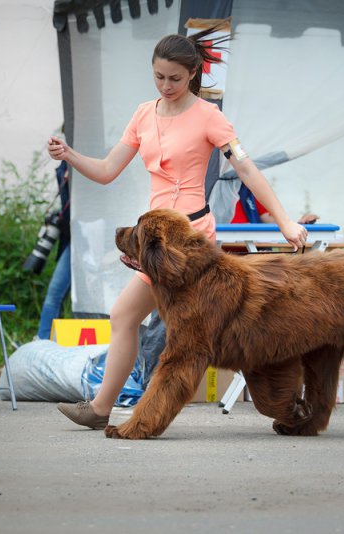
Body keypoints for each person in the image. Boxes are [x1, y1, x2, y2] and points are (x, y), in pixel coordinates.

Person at [48, 28, 308, 429]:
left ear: (193, 74)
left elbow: (245, 167)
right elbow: (106, 171)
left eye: (175, 78)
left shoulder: (209, 116)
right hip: (155, 243)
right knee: (129, 319)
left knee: (157, 326)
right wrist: (70, 154)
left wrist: (284, 219)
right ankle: (104, 409)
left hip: (191, 243)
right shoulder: (142, 114)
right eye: (158, 77)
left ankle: (106, 408)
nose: (166, 86)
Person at [35, 161, 71, 340]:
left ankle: (42, 340)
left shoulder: (94, 152)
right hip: (73, 240)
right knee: (55, 294)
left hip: (92, 239)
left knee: (55, 295)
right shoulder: (68, 159)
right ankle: (42, 342)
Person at [231, 183, 319, 224]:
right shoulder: (217, 189)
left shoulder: (249, 191)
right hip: (220, 251)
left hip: (249, 251)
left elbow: (269, 220)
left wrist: (299, 224)